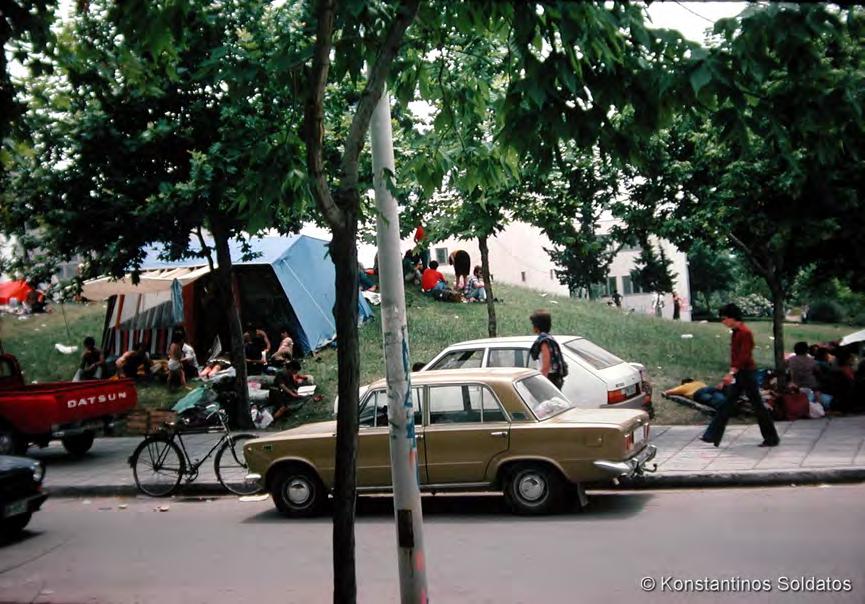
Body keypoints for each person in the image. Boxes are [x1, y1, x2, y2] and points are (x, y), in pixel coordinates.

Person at [701, 303, 780, 447]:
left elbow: (744, 356)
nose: (723, 322)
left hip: (747, 373)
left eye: (724, 318)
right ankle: (712, 435)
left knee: (757, 406)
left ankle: (771, 437)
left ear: (732, 317)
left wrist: (731, 373)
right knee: (728, 404)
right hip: (740, 373)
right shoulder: (736, 332)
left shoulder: (745, 332)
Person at [528, 309, 568, 389]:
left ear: (537, 326)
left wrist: (542, 384)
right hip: (553, 379)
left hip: (550, 380)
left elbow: (546, 366)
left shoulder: (544, 341)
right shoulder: (550, 339)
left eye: (533, 324)